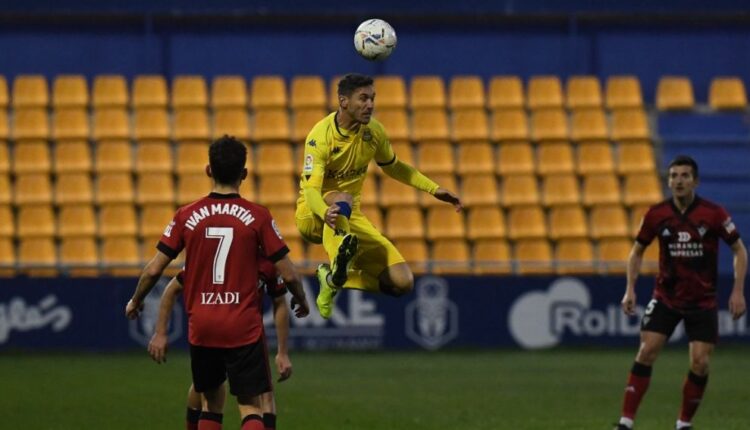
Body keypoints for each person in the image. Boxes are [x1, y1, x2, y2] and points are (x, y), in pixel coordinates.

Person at [125, 135, 310, 430]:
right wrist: (300, 299)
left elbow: (153, 270)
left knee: (211, 403)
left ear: (208, 170)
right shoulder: (258, 216)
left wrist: (137, 300)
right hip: (242, 327)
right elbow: (288, 273)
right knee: (251, 405)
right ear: (245, 174)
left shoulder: (186, 215)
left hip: (203, 325)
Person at [296, 73, 463, 318]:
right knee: (342, 198)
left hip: (349, 216)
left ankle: (333, 279)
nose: (370, 105)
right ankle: (338, 262)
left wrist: (434, 189)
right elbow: (311, 191)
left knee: (402, 282)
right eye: (363, 98)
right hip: (313, 215)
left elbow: (393, 166)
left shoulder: (373, 132)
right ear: (343, 101)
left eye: (372, 98)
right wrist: (324, 212)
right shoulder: (320, 136)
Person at [614, 155, 747, 430]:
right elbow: (636, 251)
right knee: (646, 350)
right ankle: (625, 423)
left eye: (685, 176)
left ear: (695, 181)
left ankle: (683, 424)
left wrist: (737, 290)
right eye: (673, 176)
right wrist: (629, 289)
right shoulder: (656, 214)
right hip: (666, 297)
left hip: (703, 300)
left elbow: (739, 250)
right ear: (668, 181)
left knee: (700, 362)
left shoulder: (714, 213)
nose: (678, 181)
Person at [148, 254, 291, 430]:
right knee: (252, 404)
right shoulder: (266, 259)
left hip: (206, 327)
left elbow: (171, 287)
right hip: (244, 331)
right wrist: (282, 352)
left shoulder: (206, 252)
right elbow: (284, 294)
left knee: (208, 398)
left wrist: (160, 331)